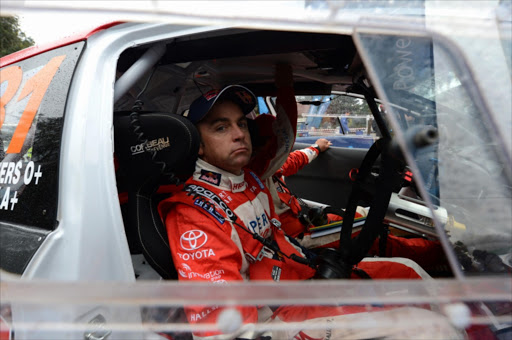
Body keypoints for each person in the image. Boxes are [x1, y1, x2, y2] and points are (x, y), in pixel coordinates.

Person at [157, 66, 462, 339]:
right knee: (430, 328)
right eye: (221, 127)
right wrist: (285, 81)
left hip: (302, 277)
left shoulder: (248, 178)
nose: (239, 135)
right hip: (278, 319)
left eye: (242, 124)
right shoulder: (194, 214)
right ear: (196, 145)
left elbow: (290, 155)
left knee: (408, 271)